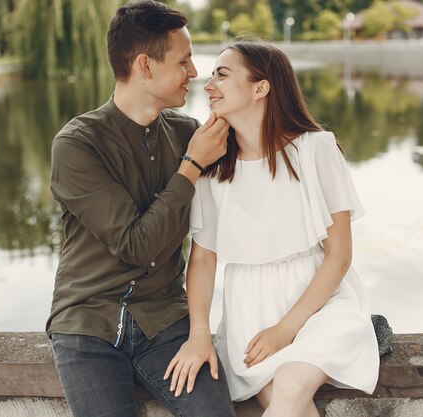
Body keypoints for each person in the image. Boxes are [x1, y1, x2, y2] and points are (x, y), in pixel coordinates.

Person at [165, 39, 380, 417]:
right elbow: (202, 260)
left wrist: (285, 330)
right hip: (248, 314)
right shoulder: (212, 166)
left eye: (223, 75)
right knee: (289, 400)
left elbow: (340, 256)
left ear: (261, 88)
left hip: (319, 306)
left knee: (293, 384)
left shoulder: (316, 150)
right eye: (212, 74)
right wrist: (201, 333)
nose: (209, 84)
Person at [46, 2, 236, 416]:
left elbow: (259, 166)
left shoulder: (189, 133)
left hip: (166, 320)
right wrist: (192, 165)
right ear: (145, 66)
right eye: (183, 61)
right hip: (88, 322)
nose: (193, 72)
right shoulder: (77, 144)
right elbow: (135, 244)